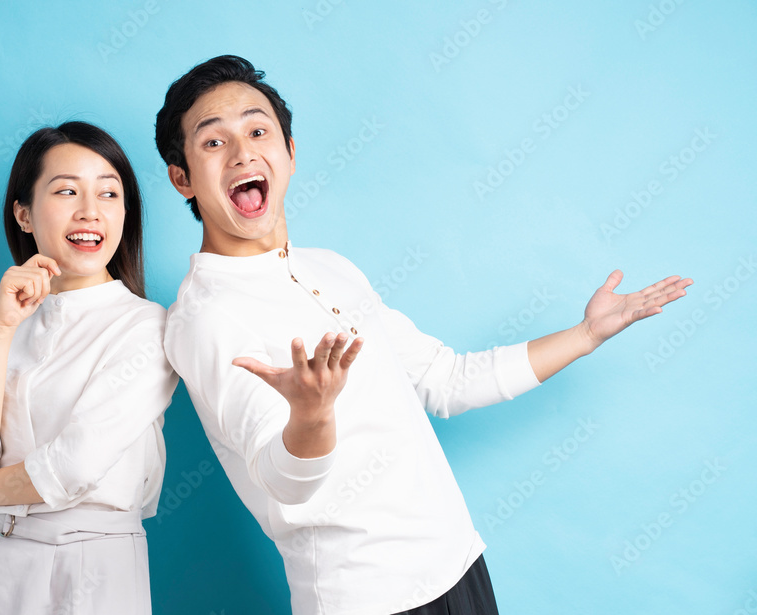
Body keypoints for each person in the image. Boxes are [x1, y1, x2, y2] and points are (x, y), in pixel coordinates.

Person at [155, 55, 691, 615]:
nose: (243, 151)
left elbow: (445, 380)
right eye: (213, 142)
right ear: (182, 178)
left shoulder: (329, 266)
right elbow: (282, 484)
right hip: (367, 598)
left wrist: (584, 335)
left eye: (258, 130)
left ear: (289, 154)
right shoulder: (205, 316)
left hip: (456, 564)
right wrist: (312, 414)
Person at [0, 121, 177, 615]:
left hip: (90, 564)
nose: (90, 210)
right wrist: (1, 330)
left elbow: (72, 467)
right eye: (67, 190)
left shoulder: (146, 327)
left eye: (109, 194)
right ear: (23, 214)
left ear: (125, 214)